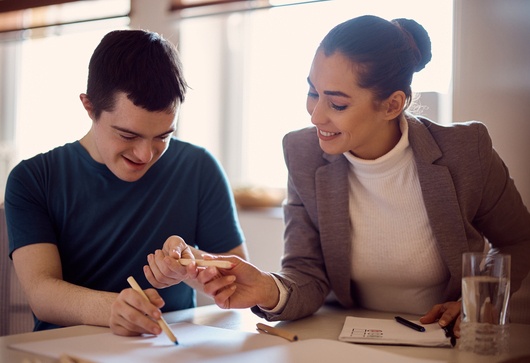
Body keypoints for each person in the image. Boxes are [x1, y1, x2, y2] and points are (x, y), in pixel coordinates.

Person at [193, 15, 530, 337]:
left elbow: (518, 240)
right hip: (342, 340)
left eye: (337, 104)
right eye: (313, 93)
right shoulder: (302, 153)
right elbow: (305, 271)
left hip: (443, 343)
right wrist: (270, 289)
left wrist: (475, 302)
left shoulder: (466, 150)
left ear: (392, 105)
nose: (316, 116)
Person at [4, 29, 247, 337]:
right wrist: (112, 309)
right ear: (89, 107)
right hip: (67, 350)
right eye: (128, 135)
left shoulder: (198, 167)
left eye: (162, 137)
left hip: (169, 351)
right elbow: (41, 293)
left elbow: (237, 275)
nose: (145, 154)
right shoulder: (34, 179)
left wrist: (194, 268)